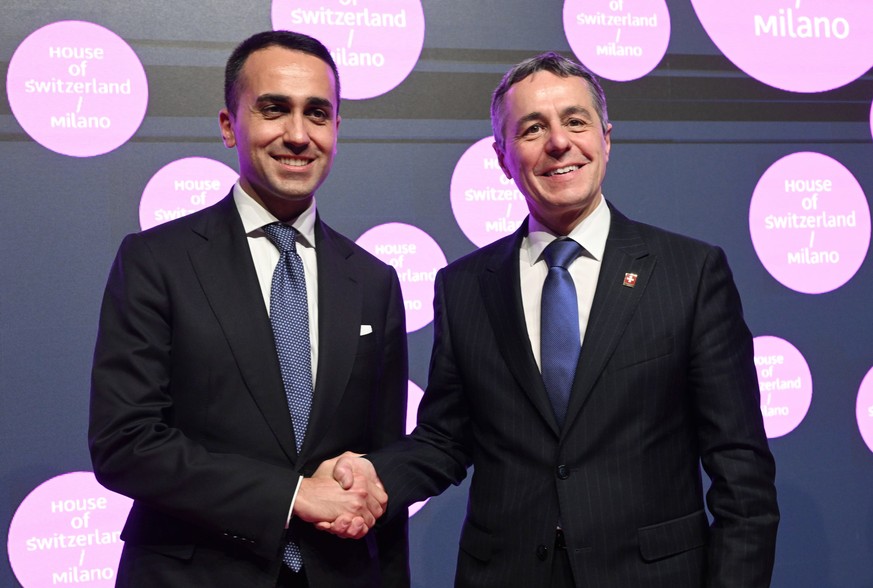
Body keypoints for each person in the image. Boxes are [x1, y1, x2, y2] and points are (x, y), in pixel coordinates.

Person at [329, 52, 779, 587]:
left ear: (606, 138)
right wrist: (372, 477)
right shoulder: (464, 286)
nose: (559, 142)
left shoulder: (691, 273)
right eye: (533, 128)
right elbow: (445, 440)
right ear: (501, 157)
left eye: (575, 120)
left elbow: (742, 476)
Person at [88, 30, 409, 588]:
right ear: (229, 125)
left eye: (318, 113)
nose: (298, 134)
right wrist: (291, 496)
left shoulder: (374, 281)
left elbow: (381, 473)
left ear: (337, 131)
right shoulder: (157, 261)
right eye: (273, 109)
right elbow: (126, 443)